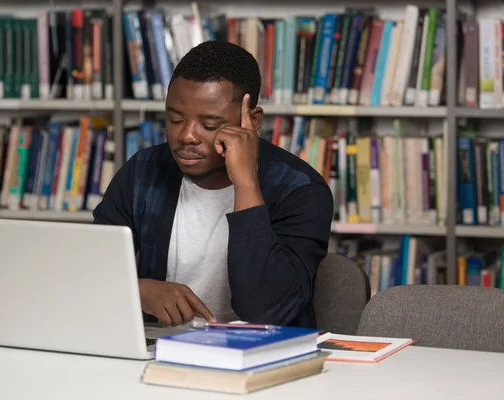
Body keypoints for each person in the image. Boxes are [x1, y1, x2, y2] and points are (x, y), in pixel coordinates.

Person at [93, 40, 333, 328]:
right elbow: (89, 268)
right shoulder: (143, 172)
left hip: (263, 359)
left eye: (209, 124)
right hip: (159, 353)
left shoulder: (301, 190)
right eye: (175, 118)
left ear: (252, 121)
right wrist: (139, 290)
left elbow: (266, 311)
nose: (187, 136)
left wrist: (245, 183)